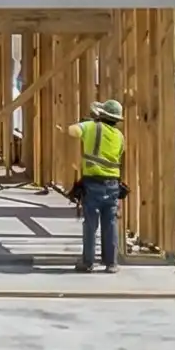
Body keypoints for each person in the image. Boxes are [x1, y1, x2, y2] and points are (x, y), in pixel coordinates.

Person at [69, 98, 127, 273]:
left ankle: (88, 262)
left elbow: (71, 131)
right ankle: (111, 263)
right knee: (110, 224)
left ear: (101, 115)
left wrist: (85, 123)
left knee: (90, 225)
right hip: (113, 185)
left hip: (93, 183)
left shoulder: (91, 127)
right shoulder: (119, 136)